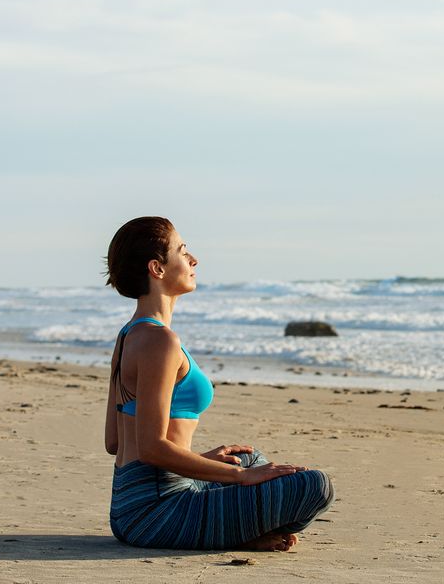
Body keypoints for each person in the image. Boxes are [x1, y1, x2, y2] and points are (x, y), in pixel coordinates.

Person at [103, 216, 333, 551]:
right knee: (315, 487)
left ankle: (240, 527)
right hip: (156, 513)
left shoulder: (128, 336)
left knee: (248, 458)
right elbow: (151, 448)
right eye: (182, 251)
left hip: (131, 504)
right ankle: (242, 533)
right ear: (158, 268)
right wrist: (240, 478)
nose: (193, 259)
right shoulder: (159, 342)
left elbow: (115, 442)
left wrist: (207, 462)